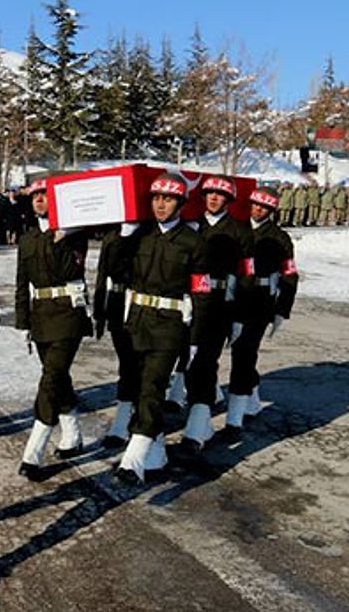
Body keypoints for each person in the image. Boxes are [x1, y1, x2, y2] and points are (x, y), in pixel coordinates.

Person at [115, 172, 210, 485]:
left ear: (181, 203)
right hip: (137, 320)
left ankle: (132, 460)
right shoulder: (141, 235)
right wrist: (123, 238)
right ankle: (156, 457)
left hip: (169, 325)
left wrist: (196, 337)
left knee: (154, 387)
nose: (160, 204)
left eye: (167, 199)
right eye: (156, 198)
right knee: (140, 386)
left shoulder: (194, 242)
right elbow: (115, 272)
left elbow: (201, 293)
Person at [170, 175, 254, 463]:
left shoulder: (241, 232)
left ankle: (194, 433)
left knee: (205, 363)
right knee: (188, 363)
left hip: (220, 305)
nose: (214, 199)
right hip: (189, 304)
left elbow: (247, 277)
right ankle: (202, 420)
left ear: (229, 200)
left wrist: (240, 314)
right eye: (209, 194)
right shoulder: (192, 227)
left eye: (220, 196)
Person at [14, 178, 93, 481]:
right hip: (40, 316)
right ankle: (72, 434)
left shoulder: (75, 236)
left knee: (50, 380)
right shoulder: (28, 239)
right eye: (35, 196)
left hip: (67, 314)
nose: (39, 200)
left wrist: (65, 233)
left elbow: (68, 270)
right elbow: (22, 283)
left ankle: (34, 450)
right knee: (58, 376)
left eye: (45, 196)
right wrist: (23, 321)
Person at [223, 187, 298, 440]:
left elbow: (289, 274)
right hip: (233, 297)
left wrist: (282, 309)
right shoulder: (236, 229)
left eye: (264, 207)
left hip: (259, 301)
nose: (258, 210)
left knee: (244, 352)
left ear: (272, 210)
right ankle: (251, 398)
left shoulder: (280, 238)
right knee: (238, 352)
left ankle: (234, 418)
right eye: (255, 204)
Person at [94, 221, 141, 448]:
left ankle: (130, 420)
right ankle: (127, 414)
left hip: (139, 305)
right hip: (115, 303)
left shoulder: (148, 234)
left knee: (137, 364)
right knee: (127, 362)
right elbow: (104, 272)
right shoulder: (113, 236)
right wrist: (98, 311)